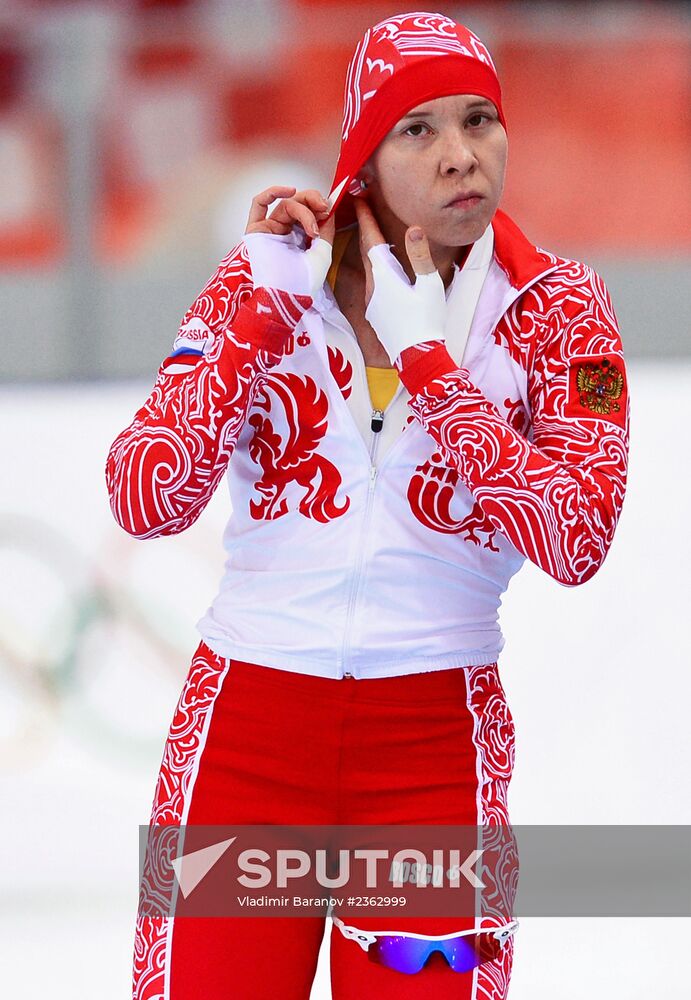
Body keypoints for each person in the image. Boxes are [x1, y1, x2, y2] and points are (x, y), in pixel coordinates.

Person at [106, 11, 630, 1000]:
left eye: (480, 119)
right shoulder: (267, 282)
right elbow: (144, 495)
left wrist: (431, 365)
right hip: (244, 748)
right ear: (362, 153)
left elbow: (576, 535)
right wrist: (256, 313)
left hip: (431, 758)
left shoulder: (562, 309)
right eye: (417, 130)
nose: (460, 155)